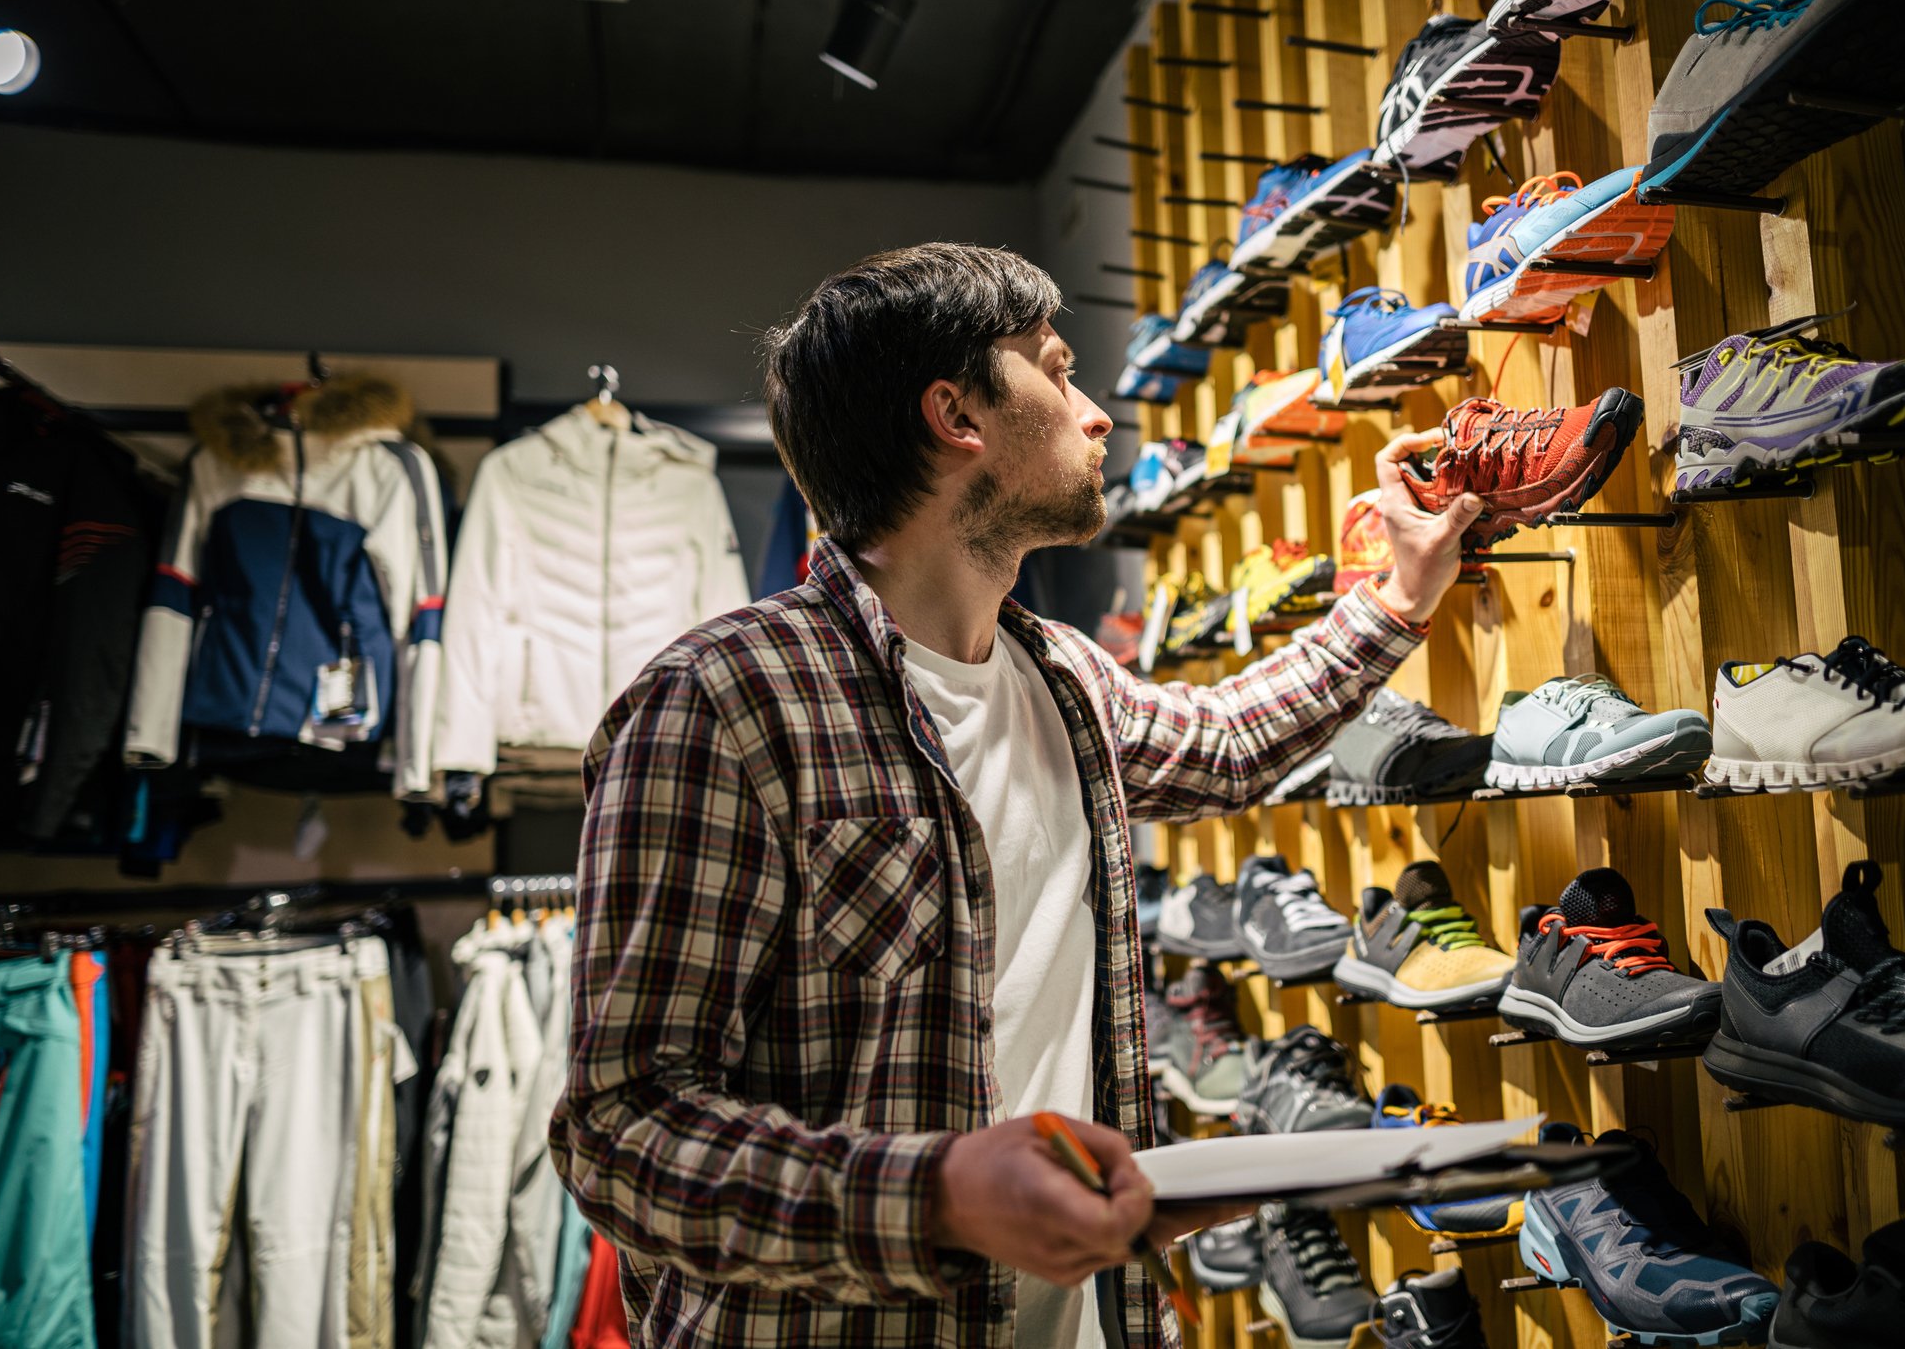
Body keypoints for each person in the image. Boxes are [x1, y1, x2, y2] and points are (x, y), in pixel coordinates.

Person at [548, 243, 1482, 1349]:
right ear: (958, 414)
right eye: (1056, 368)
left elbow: (1229, 742)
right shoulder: (720, 704)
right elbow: (622, 1125)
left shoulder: (1062, 677)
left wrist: (1401, 591)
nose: (1096, 414)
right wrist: (936, 1195)